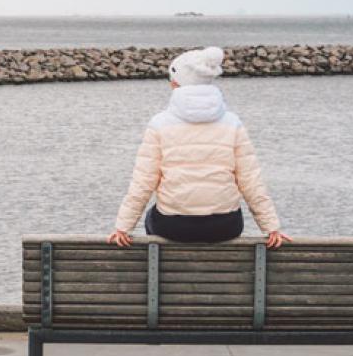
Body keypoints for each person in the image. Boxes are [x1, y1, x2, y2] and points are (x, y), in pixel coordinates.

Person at [108, 47, 291, 248]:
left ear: (175, 84)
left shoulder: (159, 124)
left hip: (173, 226)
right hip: (225, 226)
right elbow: (250, 180)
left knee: (153, 215)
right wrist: (271, 227)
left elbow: (143, 182)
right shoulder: (232, 123)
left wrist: (123, 227)